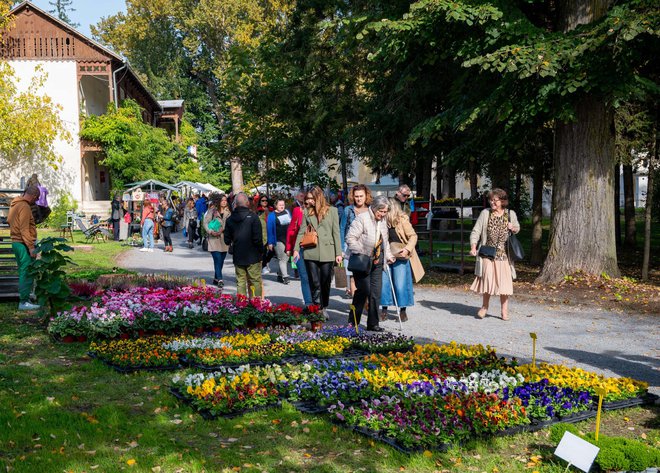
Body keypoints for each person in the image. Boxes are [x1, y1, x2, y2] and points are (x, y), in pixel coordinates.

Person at [469, 188, 520, 321]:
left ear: (502, 201)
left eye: (495, 200)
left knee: (504, 284)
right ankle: (484, 307)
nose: (492, 203)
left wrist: (512, 228)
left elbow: (517, 228)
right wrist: (474, 246)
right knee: (487, 280)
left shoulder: (510, 214)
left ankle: (504, 311)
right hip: (487, 253)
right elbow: (476, 231)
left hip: (504, 255)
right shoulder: (485, 213)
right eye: (490, 200)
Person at [346, 195, 395, 332]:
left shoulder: (383, 221)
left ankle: (373, 323)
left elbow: (384, 241)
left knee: (375, 293)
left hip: (378, 261)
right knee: (363, 290)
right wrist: (362, 252)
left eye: (385, 212)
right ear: (374, 208)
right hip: (362, 261)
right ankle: (353, 321)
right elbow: (350, 238)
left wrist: (389, 256)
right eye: (381, 211)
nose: (383, 214)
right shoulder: (362, 218)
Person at [293, 186, 342, 320]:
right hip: (311, 251)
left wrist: (339, 252)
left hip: (328, 251)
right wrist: (296, 249)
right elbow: (302, 231)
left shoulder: (332, 211)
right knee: (314, 282)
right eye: (307, 198)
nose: (308, 201)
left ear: (318, 197)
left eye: (311, 198)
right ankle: (317, 307)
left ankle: (324, 306)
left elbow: (336, 232)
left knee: (325, 281)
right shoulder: (307, 212)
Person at [380, 197, 425, 322]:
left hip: (401, 254)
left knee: (400, 285)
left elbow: (413, 236)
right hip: (386, 255)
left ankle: (403, 310)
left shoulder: (402, 219)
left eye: (386, 209)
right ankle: (384, 309)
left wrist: (407, 250)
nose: (383, 211)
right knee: (384, 284)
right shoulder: (380, 220)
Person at [7, 186, 41, 310]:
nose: (35, 201)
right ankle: (24, 302)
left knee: (23, 272)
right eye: (36, 199)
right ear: (34, 196)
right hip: (23, 244)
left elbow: (9, 220)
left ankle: (25, 296)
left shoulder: (14, 204)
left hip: (16, 243)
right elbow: (24, 229)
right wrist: (31, 247)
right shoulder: (25, 207)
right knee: (27, 272)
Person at [224, 193, 263, 297]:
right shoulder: (254, 217)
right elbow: (258, 239)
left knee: (240, 281)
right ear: (247, 203)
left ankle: (242, 305)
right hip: (253, 255)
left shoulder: (230, 219)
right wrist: (261, 251)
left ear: (235, 204)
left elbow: (226, 240)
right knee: (255, 281)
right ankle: (257, 305)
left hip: (238, 255)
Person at [340, 184, 373, 298]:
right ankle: (356, 304)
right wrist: (341, 248)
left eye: (361, 196)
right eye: (356, 196)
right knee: (352, 275)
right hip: (349, 245)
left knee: (366, 274)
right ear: (353, 197)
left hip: (366, 245)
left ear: (366, 196)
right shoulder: (348, 210)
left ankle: (365, 301)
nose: (358, 198)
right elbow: (342, 228)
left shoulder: (371, 210)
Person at [286, 189, 313, 306]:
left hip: (315, 247)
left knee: (315, 277)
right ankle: (308, 304)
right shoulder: (298, 210)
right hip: (300, 246)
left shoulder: (321, 212)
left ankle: (318, 303)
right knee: (304, 276)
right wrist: (289, 247)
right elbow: (291, 229)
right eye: (307, 199)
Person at [204, 194, 231, 287]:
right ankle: (220, 279)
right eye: (222, 200)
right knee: (217, 258)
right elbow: (205, 223)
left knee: (221, 261)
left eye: (225, 200)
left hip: (224, 239)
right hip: (213, 239)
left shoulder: (229, 212)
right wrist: (211, 231)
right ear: (218, 201)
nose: (224, 202)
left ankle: (216, 278)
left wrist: (223, 230)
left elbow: (230, 225)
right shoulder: (212, 211)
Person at [267, 199, 292, 284]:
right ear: (276, 205)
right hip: (278, 240)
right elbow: (269, 230)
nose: (282, 206)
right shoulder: (271, 215)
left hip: (288, 239)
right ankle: (285, 277)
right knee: (282, 258)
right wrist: (270, 242)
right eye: (280, 205)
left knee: (286, 257)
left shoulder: (287, 212)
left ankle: (280, 275)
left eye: (283, 205)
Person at [257, 195, 274, 274]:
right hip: (261, 234)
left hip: (271, 233)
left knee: (272, 251)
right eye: (263, 200)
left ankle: (266, 262)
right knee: (263, 251)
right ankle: (263, 266)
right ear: (260, 202)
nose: (264, 202)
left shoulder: (272, 210)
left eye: (266, 200)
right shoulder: (257, 211)